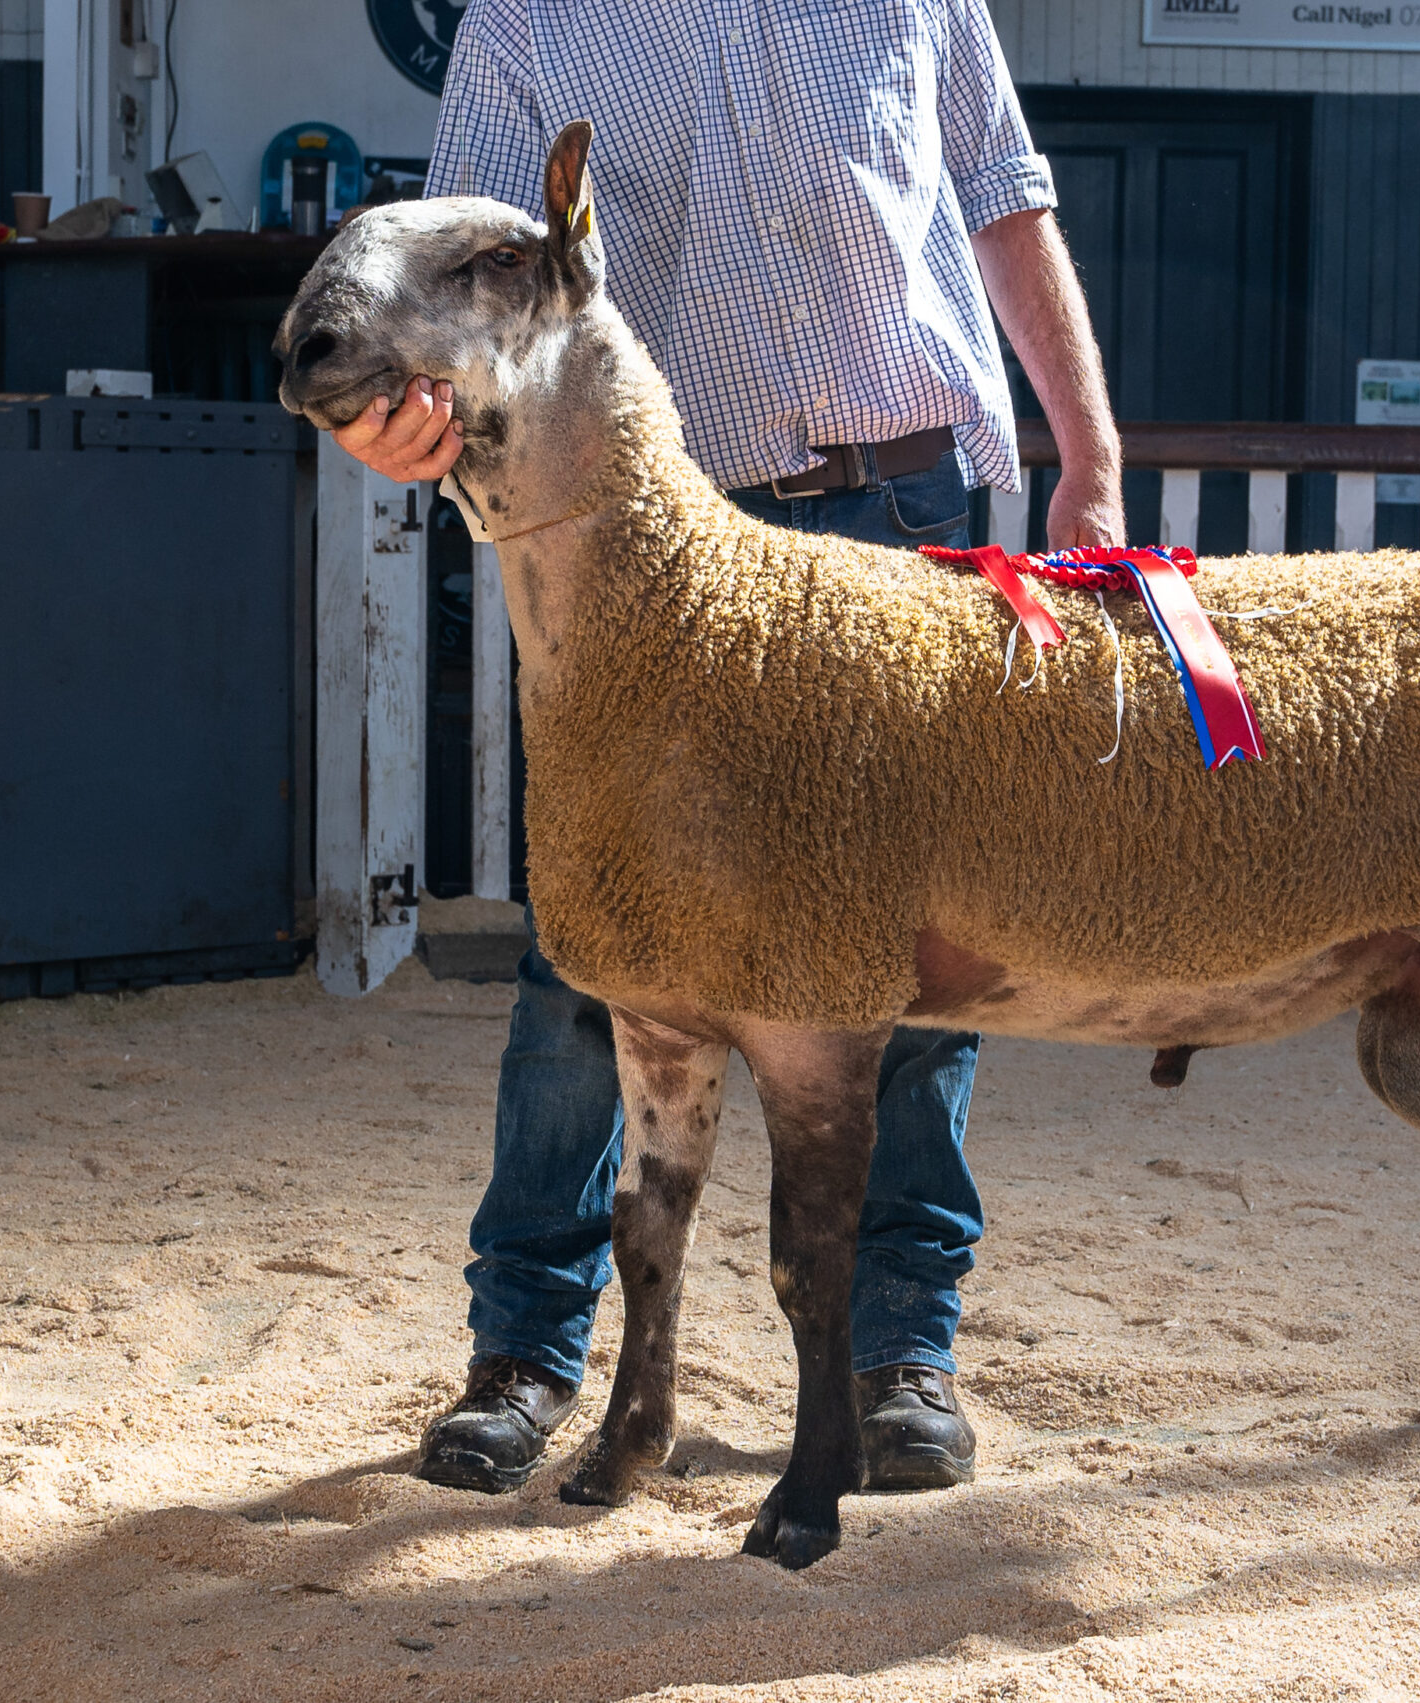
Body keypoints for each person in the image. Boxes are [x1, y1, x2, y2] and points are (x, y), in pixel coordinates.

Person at [330, 0, 1123, 1497]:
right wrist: (409, 417)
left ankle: (903, 1352)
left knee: (910, 964)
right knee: (598, 955)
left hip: (904, 514)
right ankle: (526, 1348)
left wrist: (1090, 451)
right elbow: (465, 266)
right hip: (659, 543)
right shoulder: (535, 20)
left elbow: (1005, 194)